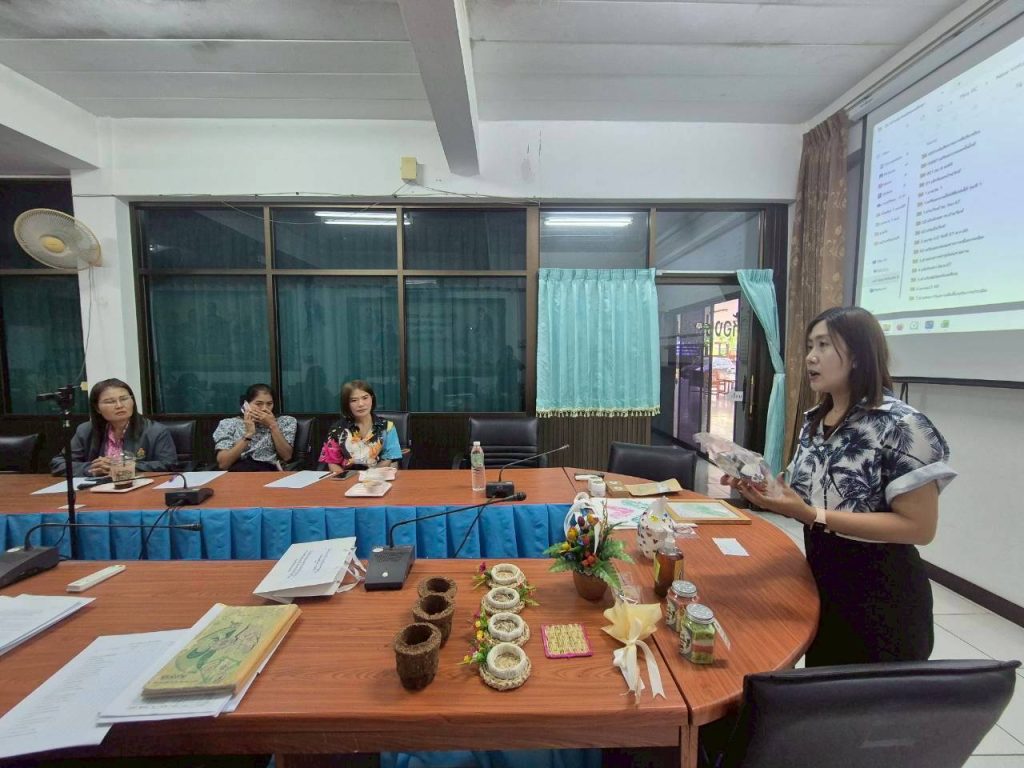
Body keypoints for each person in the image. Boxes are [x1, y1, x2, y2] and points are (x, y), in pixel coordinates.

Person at [724, 306, 956, 666]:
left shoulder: (901, 425)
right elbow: (805, 497)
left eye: (824, 345)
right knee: (820, 682)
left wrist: (812, 515)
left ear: (859, 355)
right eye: (809, 346)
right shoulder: (815, 421)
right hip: (822, 580)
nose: (810, 357)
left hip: (880, 597)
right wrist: (764, 490)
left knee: (859, 698)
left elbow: (919, 528)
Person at [50, 378, 176, 477]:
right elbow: (58, 463)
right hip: (96, 491)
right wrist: (93, 468)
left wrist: (122, 466)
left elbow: (169, 464)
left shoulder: (155, 431)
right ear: (97, 408)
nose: (119, 405)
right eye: (110, 402)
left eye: (124, 399)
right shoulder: (86, 430)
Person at [319, 380, 402, 473]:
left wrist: (368, 476)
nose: (361, 404)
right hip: (347, 478)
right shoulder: (337, 429)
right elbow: (332, 463)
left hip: (377, 477)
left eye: (365, 398)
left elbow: (389, 459)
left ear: (372, 398)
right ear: (347, 404)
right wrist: (344, 479)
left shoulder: (387, 427)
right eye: (354, 400)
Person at [213, 384, 297, 471]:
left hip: (268, 470)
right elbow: (223, 464)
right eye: (259, 404)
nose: (264, 408)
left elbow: (287, 456)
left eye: (269, 404)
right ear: (246, 404)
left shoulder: (285, 421)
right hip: (237, 471)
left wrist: (272, 426)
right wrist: (248, 434)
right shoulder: (228, 424)